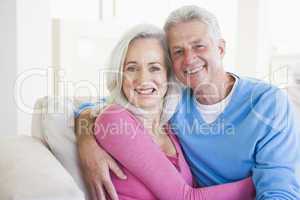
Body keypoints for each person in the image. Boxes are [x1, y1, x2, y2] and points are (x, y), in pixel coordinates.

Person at [76, 5, 300, 200]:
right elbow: (98, 108)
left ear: (220, 48)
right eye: (178, 51)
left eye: (199, 46)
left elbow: (279, 186)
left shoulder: (268, 102)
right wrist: (86, 144)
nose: (189, 59)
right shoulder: (172, 101)